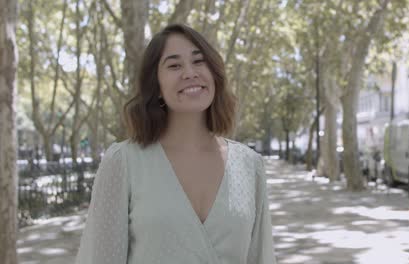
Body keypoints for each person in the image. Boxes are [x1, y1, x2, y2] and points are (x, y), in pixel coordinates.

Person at [75, 24, 276, 264]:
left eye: (199, 61)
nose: (190, 72)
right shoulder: (123, 162)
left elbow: (261, 257)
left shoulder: (249, 165)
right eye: (174, 65)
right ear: (156, 86)